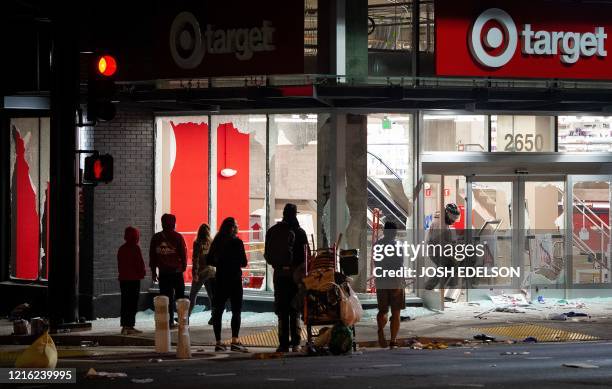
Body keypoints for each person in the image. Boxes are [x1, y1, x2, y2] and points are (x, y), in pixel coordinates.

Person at [264, 203, 309, 353]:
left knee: (282, 310)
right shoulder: (300, 232)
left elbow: (267, 255)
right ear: (295, 214)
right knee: (294, 309)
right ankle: (296, 343)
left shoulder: (272, 231)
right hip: (295, 276)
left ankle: (283, 344)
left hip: (279, 276)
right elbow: (306, 257)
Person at [208, 217, 248, 352]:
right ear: (234, 228)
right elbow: (244, 262)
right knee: (236, 311)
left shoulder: (217, 242)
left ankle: (218, 342)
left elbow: (209, 260)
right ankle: (235, 341)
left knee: (217, 311)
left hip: (220, 280)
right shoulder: (237, 242)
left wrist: (220, 264)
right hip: (235, 280)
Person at [149, 213, 187, 329]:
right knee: (180, 298)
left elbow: (152, 256)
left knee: (166, 299)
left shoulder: (156, 238)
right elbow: (183, 253)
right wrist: (184, 266)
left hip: (164, 273)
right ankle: (183, 321)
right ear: (173, 223)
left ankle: (169, 321)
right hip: (176, 272)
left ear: (162, 223)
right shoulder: (178, 237)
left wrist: (153, 271)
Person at [374, 221, 406, 349]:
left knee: (382, 310)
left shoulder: (377, 245)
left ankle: (381, 330)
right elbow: (399, 264)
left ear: (384, 231)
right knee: (396, 312)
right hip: (394, 281)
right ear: (395, 233)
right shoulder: (398, 245)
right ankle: (393, 340)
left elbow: (376, 263)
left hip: (381, 280)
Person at [424, 203, 461, 290]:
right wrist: (452, 252)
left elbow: (444, 239)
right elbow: (439, 241)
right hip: (436, 251)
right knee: (447, 267)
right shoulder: (439, 223)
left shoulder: (444, 221)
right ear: (447, 213)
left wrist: (453, 245)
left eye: (456, 218)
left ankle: (434, 288)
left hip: (439, 249)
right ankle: (429, 288)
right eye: (453, 217)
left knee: (446, 268)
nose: (454, 220)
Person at [117, 226, 146, 335]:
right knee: (132, 304)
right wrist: (142, 273)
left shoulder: (121, 248)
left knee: (125, 303)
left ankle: (124, 326)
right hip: (133, 279)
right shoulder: (135, 248)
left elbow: (120, 264)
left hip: (123, 280)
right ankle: (130, 326)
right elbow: (139, 263)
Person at [188, 223, 216, 322]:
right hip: (211, 272)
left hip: (201, 273)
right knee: (212, 296)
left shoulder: (197, 243)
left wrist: (194, 273)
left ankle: (186, 317)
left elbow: (195, 259)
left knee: (193, 295)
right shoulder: (212, 242)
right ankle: (214, 317)